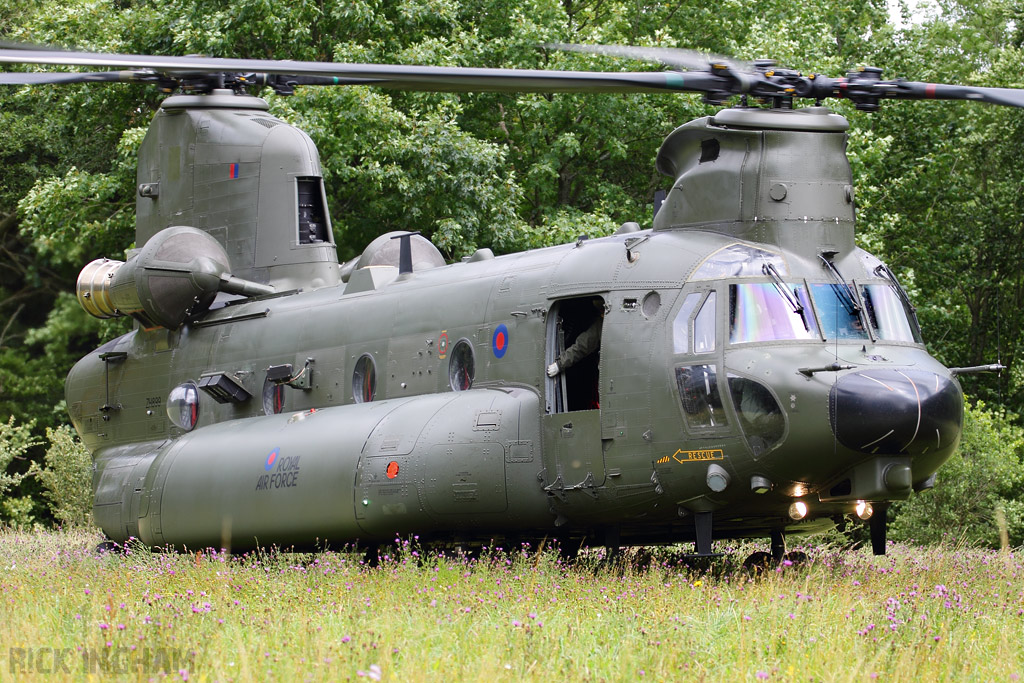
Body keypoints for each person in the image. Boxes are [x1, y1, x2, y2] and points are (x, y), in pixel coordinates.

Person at [547, 299, 604, 377]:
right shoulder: (601, 324)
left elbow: (582, 346)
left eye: (603, 310)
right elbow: (582, 346)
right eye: (600, 311)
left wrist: (560, 364)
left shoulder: (602, 324)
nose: (602, 314)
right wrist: (560, 364)